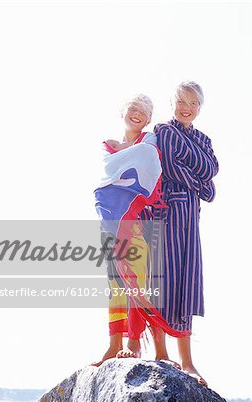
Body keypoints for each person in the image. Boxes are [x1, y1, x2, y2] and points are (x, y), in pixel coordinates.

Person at [91, 94, 189, 368]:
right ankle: (114, 345)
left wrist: (125, 171)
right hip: (111, 219)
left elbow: (147, 163)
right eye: (133, 108)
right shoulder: (108, 146)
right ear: (123, 111)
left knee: (144, 282)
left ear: (148, 119)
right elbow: (107, 176)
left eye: (144, 112)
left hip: (142, 222)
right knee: (115, 283)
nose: (137, 114)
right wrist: (124, 169)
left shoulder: (148, 142)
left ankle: (141, 345)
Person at [152, 81, 219, 386]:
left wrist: (191, 168)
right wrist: (197, 178)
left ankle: (188, 361)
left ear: (199, 108)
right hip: (166, 211)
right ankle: (160, 352)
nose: (186, 107)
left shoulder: (204, 139)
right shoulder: (164, 131)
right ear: (173, 102)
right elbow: (175, 170)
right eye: (181, 101)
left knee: (187, 280)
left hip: (191, 215)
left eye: (192, 103)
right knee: (163, 276)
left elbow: (212, 171)